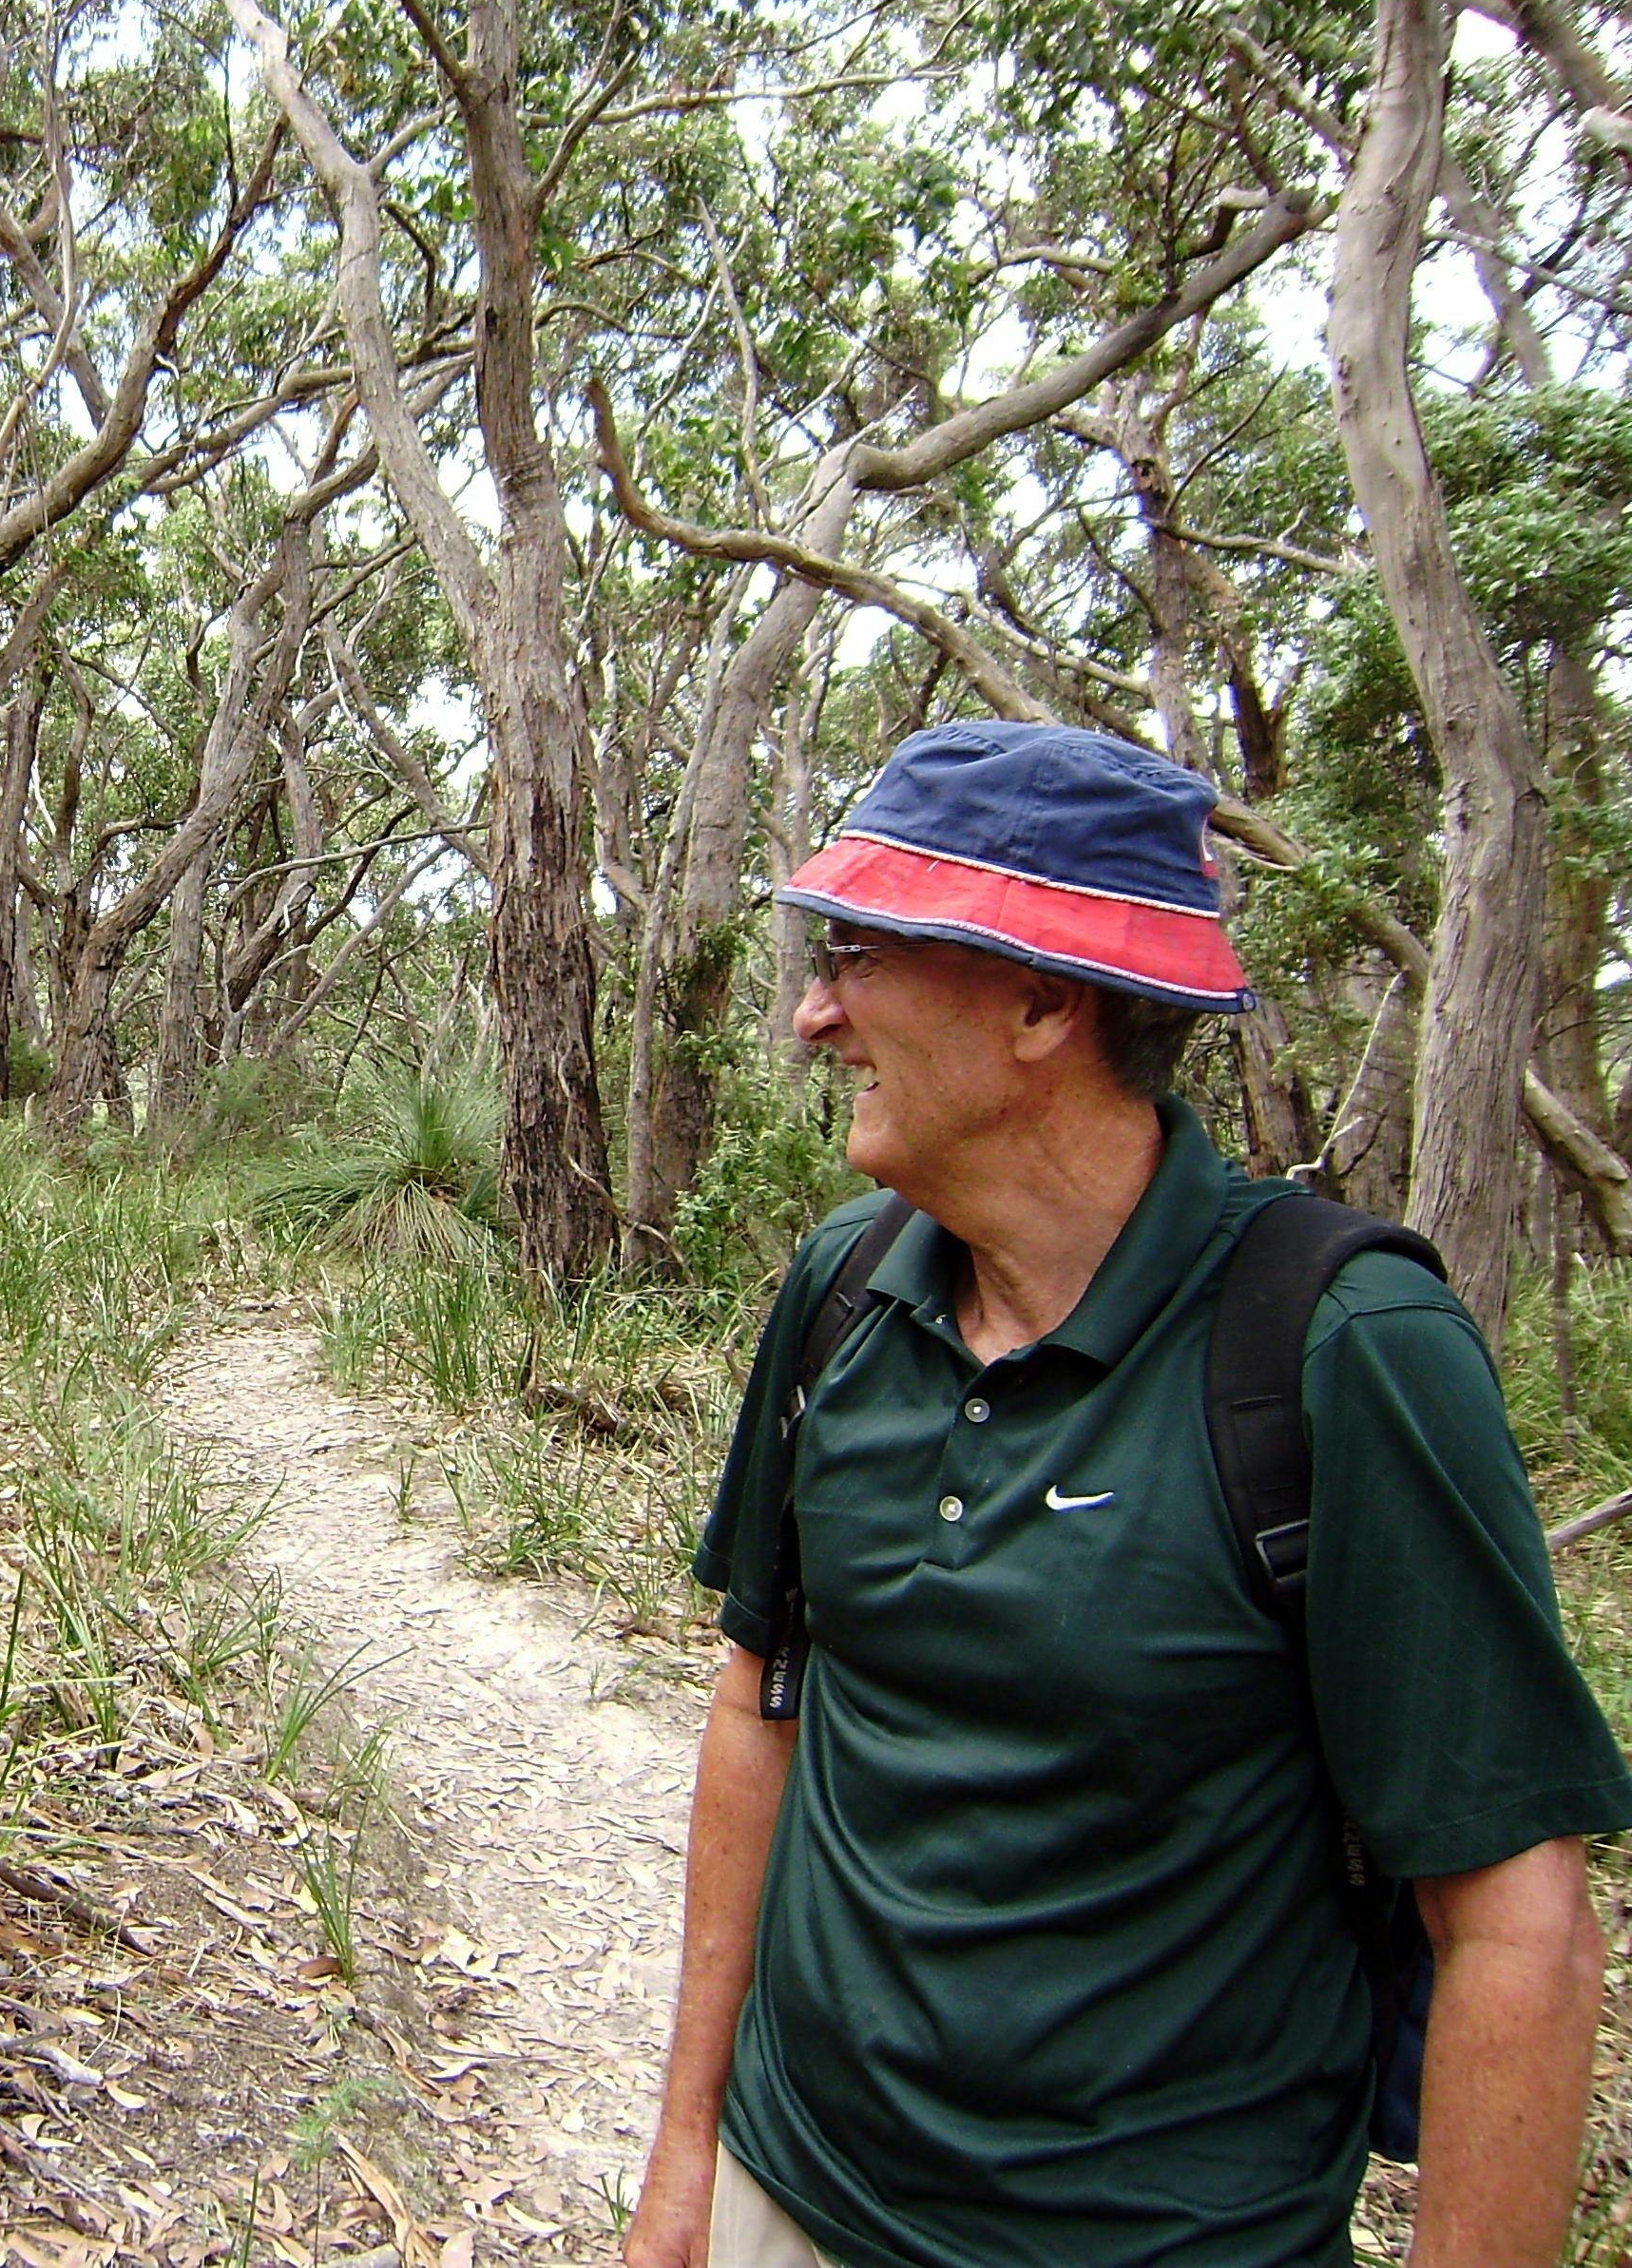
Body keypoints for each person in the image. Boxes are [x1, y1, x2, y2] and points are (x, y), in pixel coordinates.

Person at [622, 721, 1632, 2268]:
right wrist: (689, 2154)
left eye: (857, 957)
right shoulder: (845, 1288)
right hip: (792, 2190)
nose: (817, 1017)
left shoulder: (1345, 1349)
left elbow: (1518, 1931)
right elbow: (761, 1698)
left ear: (1042, 1000)